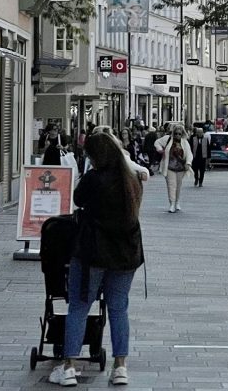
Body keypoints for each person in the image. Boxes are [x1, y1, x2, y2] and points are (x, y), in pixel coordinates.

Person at [48, 132, 143, 387]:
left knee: (79, 306)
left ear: (94, 156)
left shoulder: (94, 178)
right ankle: (120, 366)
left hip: (93, 252)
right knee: (118, 308)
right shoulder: (131, 179)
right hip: (125, 253)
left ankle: (69, 367)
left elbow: (78, 199)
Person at [155, 125, 193, 213]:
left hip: (180, 168)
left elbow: (189, 154)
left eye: (179, 134)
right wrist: (161, 150)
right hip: (169, 167)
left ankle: (177, 202)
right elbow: (157, 142)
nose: (177, 135)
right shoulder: (168, 139)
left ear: (182, 134)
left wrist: (188, 163)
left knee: (178, 186)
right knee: (171, 185)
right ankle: (172, 203)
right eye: (176, 133)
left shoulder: (185, 142)